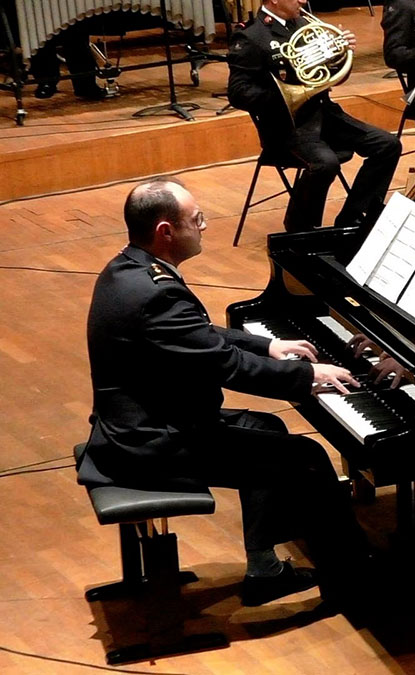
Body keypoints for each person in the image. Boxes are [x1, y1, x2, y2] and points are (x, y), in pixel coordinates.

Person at [79, 178, 373, 610]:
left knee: (267, 428)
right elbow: (225, 365)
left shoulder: (128, 269)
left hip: (146, 420)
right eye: (196, 220)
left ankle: (264, 568)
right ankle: (355, 586)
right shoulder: (156, 295)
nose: (204, 226)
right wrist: (305, 375)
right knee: (304, 460)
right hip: (151, 442)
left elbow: (196, 336)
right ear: (166, 231)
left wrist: (268, 345)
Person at [227, 0, 401, 233]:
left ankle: (354, 218)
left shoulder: (305, 24)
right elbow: (238, 93)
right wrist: (285, 94)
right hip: (285, 125)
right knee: (325, 163)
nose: (303, 0)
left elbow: (333, 76)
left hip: (324, 115)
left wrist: (343, 53)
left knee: (387, 144)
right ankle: (300, 228)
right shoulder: (251, 36)